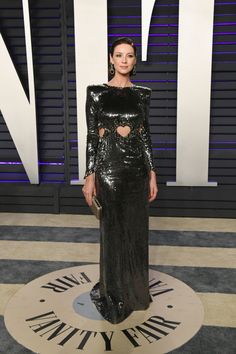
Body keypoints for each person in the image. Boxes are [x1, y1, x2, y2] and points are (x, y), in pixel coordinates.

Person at [82, 37, 158, 324]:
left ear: (135, 60)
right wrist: (90, 176)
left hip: (137, 170)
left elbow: (145, 135)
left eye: (129, 55)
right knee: (113, 233)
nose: (124, 60)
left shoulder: (143, 94)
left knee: (136, 232)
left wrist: (152, 171)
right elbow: (92, 137)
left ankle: (135, 292)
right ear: (111, 59)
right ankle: (113, 292)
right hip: (109, 169)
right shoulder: (96, 93)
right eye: (119, 55)